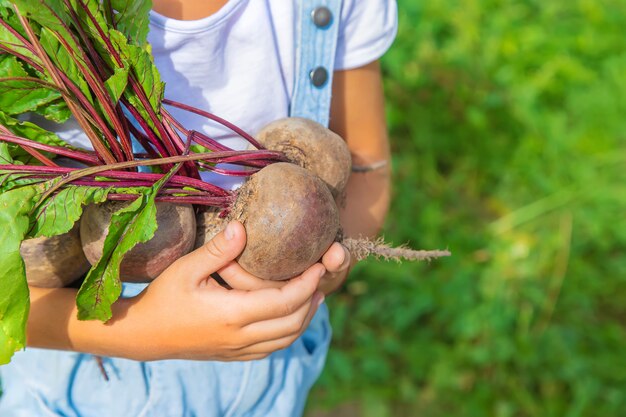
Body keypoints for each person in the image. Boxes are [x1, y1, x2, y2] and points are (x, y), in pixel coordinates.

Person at [0, 1, 397, 416]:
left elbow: (368, 168)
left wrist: (312, 271)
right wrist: (134, 328)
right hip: (75, 379)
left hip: (268, 376)